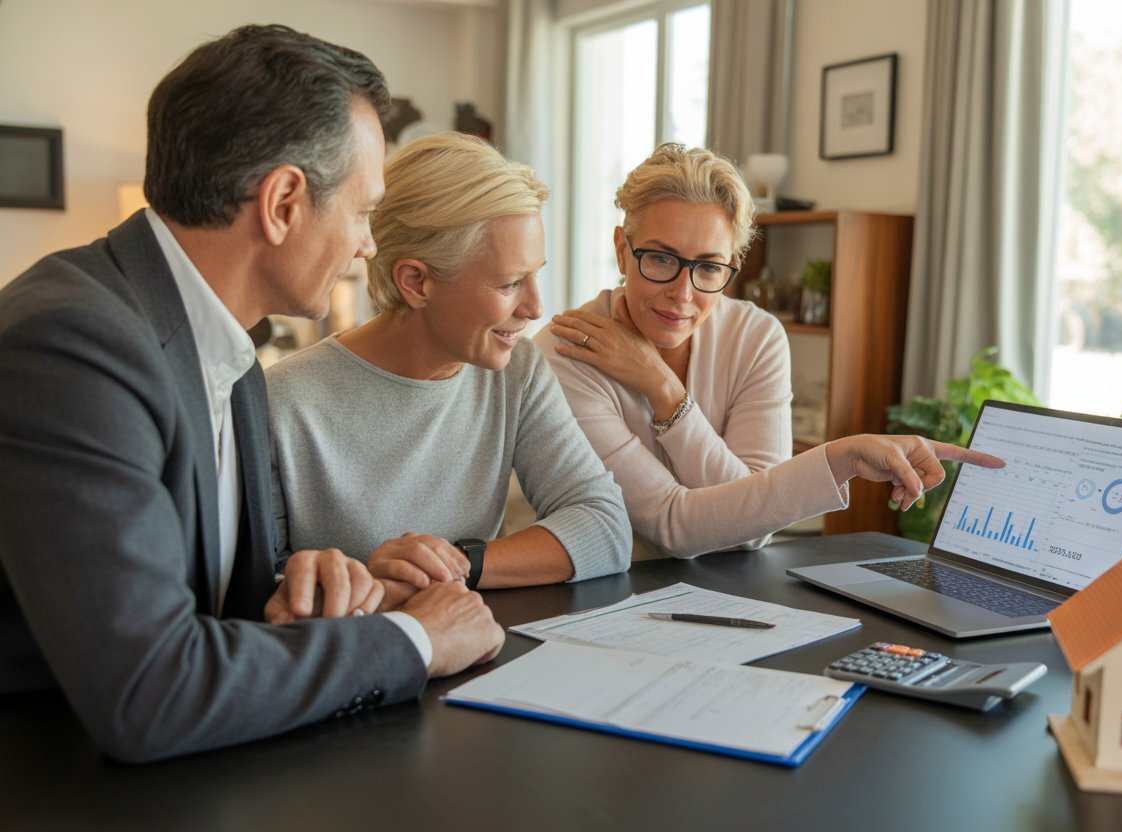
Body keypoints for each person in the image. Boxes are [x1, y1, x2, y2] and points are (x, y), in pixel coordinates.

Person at [0, 25, 503, 763]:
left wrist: (306, 585)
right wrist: (413, 640)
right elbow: (149, 689)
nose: (368, 245)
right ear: (284, 202)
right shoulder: (70, 347)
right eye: (364, 212)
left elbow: (205, 593)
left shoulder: (226, 346)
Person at [534, 143, 1004, 559]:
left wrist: (663, 389)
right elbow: (674, 523)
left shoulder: (756, 336)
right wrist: (843, 458)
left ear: (732, 266)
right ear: (622, 250)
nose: (683, 293)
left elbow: (754, 530)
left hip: (729, 592)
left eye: (709, 268)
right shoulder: (565, 355)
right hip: (604, 599)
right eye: (660, 258)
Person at [266, 133, 630, 601]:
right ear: (416, 282)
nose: (535, 308)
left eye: (535, 274)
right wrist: (369, 585)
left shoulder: (517, 372)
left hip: (474, 637)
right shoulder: (280, 401)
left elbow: (604, 526)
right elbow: (260, 588)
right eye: (510, 283)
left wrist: (457, 563)